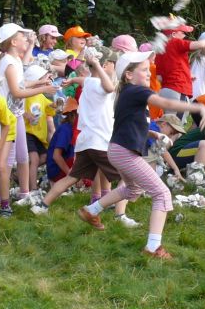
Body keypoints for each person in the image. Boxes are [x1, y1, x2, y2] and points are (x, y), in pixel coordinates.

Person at [76, 50, 205, 259]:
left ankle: (92, 210)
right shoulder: (136, 91)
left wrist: (152, 133)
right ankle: (152, 247)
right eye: (143, 70)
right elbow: (167, 104)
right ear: (129, 74)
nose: (149, 73)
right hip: (125, 152)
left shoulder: (127, 93)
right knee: (162, 194)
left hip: (118, 150)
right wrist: (199, 108)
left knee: (133, 189)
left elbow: (129, 123)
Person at [31, 47, 137, 228]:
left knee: (71, 177)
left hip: (86, 142)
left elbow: (84, 79)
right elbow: (110, 87)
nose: (115, 67)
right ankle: (118, 214)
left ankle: (41, 206)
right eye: (113, 63)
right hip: (99, 143)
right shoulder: (100, 85)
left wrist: (73, 79)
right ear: (105, 65)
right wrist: (95, 65)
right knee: (129, 176)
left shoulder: (89, 82)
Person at [0, 23, 58, 215]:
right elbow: (16, 91)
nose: (26, 39)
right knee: (6, 161)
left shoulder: (14, 59)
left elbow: (21, 83)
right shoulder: (9, 62)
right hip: (8, 117)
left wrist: (38, 82)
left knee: (22, 156)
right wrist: (44, 89)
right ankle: (0, 198)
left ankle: (24, 193)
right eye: (23, 37)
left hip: (16, 114)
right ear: (13, 42)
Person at [154, 21, 205, 108]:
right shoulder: (176, 43)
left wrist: (187, 75)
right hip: (185, 93)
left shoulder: (160, 51)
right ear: (173, 34)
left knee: (169, 116)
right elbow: (200, 44)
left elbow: (159, 77)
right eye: (182, 32)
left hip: (166, 90)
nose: (184, 36)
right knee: (176, 117)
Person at [45, 98, 78, 182]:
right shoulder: (66, 129)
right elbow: (56, 156)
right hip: (57, 170)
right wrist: (70, 175)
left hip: (64, 166)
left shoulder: (73, 129)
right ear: (74, 114)